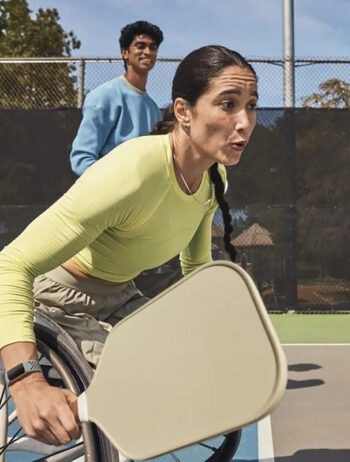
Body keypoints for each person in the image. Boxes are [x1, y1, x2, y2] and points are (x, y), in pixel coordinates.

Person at [0, 45, 258, 446]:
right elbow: (11, 264)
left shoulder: (214, 178)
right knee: (141, 383)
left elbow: (195, 266)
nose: (244, 123)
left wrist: (213, 334)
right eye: (228, 104)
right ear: (183, 112)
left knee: (189, 372)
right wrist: (26, 379)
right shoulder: (133, 172)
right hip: (54, 299)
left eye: (251, 106)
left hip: (120, 295)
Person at [69, 20, 164, 176]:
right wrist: (116, 187)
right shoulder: (102, 97)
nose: (147, 52)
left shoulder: (154, 110)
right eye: (140, 46)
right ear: (125, 53)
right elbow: (81, 160)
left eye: (152, 47)